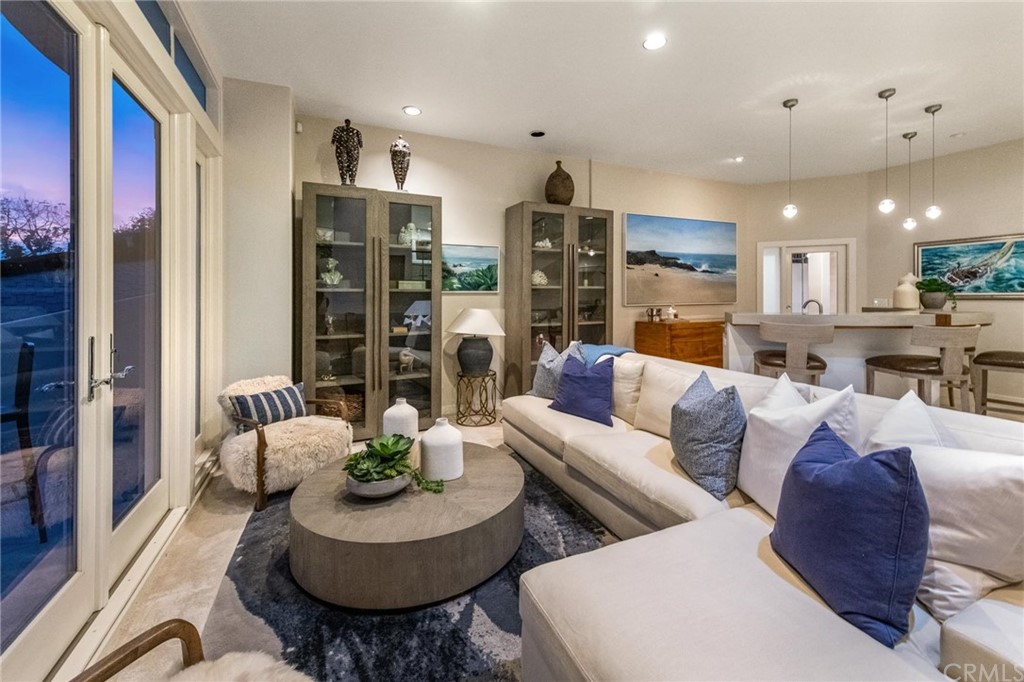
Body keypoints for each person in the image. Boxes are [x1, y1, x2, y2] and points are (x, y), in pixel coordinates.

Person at [332, 119, 362, 185]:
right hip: (343, 149)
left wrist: (333, 141)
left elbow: (360, 143)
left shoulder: (356, 132)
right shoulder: (338, 129)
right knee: (343, 165)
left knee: (351, 165)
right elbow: (334, 139)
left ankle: (351, 182)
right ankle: (345, 181)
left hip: (352, 150)